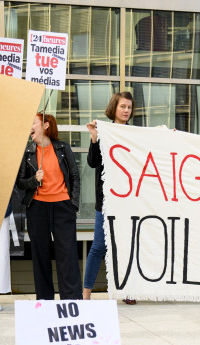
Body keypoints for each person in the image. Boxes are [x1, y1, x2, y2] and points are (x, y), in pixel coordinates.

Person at [16, 113, 81, 300]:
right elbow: (20, 182)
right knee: (40, 256)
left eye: (33, 123)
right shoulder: (28, 152)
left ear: (45, 125)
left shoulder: (63, 148)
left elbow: (75, 176)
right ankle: (44, 301)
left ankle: (72, 300)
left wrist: (73, 204)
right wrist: (34, 180)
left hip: (63, 207)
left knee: (67, 256)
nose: (30, 128)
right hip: (37, 209)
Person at [83, 91, 136, 304]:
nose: (126, 111)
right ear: (114, 108)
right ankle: (85, 294)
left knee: (126, 246)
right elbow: (93, 163)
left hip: (128, 199)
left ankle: (127, 291)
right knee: (99, 246)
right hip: (105, 201)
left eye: (129, 107)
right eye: (123, 106)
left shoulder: (134, 134)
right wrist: (95, 138)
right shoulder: (103, 131)